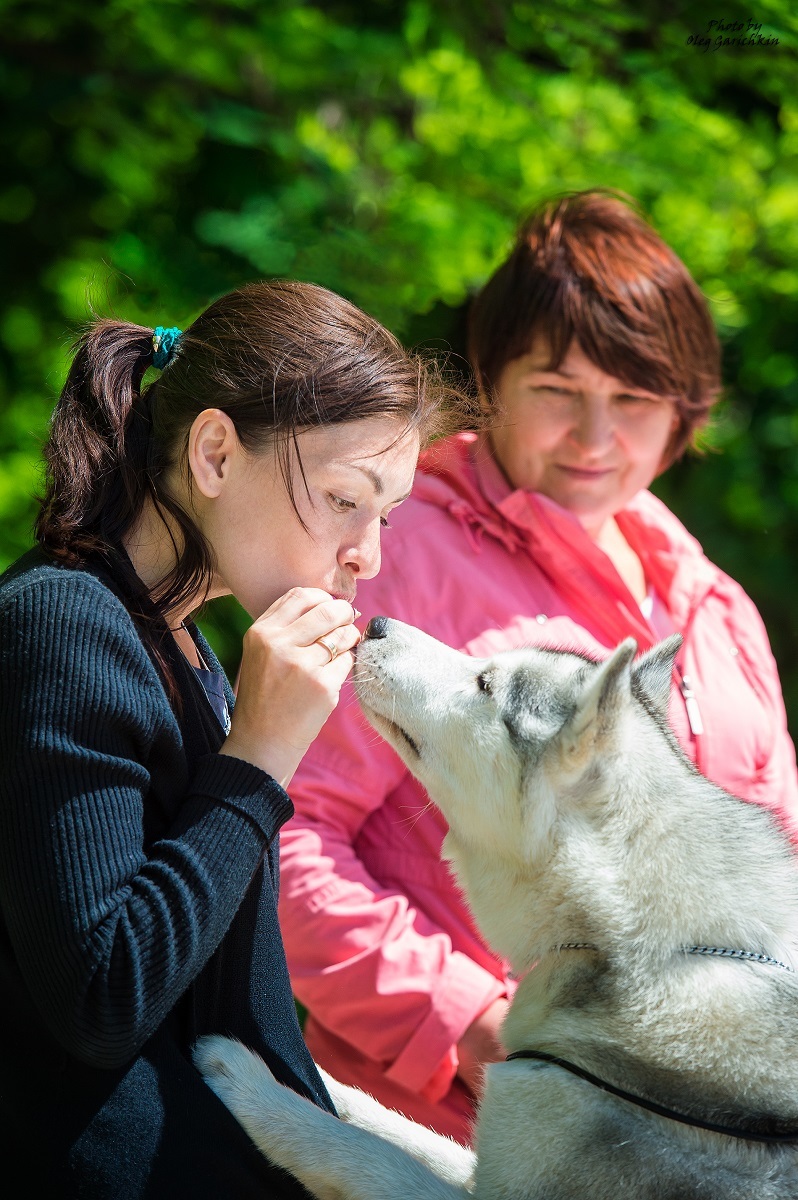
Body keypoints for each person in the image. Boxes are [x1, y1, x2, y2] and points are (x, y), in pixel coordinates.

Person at [278, 190, 798, 1146]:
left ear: (684, 413)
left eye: (635, 400)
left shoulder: (713, 606)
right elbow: (283, 836)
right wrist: (479, 1029)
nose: (596, 439)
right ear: (492, 380)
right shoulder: (393, 553)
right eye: (558, 390)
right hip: (427, 1132)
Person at [0, 280, 460, 1197]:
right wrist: (257, 760)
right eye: (343, 499)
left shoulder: (184, 645)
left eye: (387, 514)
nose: (368, 553)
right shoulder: (62, 623)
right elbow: (102, 997)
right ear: (214, 451)